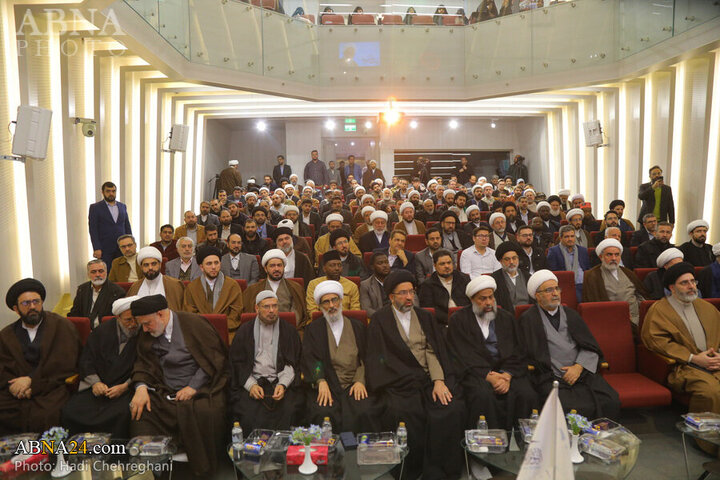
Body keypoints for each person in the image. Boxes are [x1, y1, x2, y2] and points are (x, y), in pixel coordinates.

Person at [129, 294, 227, 475]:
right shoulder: (149, 333)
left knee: (205, 411)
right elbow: (142, 363)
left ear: (160, 314)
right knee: (141, 410)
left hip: (201, 385)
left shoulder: (194, 324)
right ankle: (154, 463)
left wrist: (193, 387)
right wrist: (141, 387)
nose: (144, 329)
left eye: (147, 323)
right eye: (141, 324)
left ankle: (196, 462)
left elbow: (213, 361)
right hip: (164, 387)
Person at [517, 271, 620, 419]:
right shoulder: (528, 319)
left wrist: (578, 367)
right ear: (537, 296)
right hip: (549, 375)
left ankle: (599, 440)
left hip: (582, 372)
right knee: (567, 407)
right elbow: (529, 354)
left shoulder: (571, 314)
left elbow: (590, 346)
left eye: (557, 289)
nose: (555, 293)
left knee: (610, 400)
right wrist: (561, 371)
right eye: (549, 290)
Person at [447, 275, 537, 430]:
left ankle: (523, 442)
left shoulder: (506, 318)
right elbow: (461, 355)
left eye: (491, 297)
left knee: (527, 394)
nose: (488, 303)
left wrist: (507, 375)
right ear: (472, 300)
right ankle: (487, 445)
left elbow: (518, 350)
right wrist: (488, 376)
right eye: (483, 299)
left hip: (507, 372)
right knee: (483, 396)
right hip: (476, 373)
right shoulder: (459, 320)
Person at [0, 279, 81, 433]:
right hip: (17, 391)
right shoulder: (6, 334)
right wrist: (13, 386)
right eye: (26, 303)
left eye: (36, 302)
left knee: (46, 415)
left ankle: (44, 456)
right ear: (16, 309)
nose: (32, 307)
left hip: (50, 386)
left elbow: (65, 363)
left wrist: (31, 381)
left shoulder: (61, 326)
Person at [641, 262, 720, 417]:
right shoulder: (659, 310)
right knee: (711, 391)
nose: (691, 286)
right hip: (684, 367)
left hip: (714, 362)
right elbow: (656, 341)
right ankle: (707, 439)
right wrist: (693, 358)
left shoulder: (707, 307)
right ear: (672, 288)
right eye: (684, 283)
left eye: (693, 281)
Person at [302, 280, 382, 432]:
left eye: (334, 300)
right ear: (320, 306)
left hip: (354, 384)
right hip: (328, 384)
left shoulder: (358, 326)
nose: (331, 305)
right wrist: (320, 380)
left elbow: (368, 358)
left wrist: (360, 380)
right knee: (322, 412)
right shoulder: (313, 329)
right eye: (326, 302)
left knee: (365, 411)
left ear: (341, 301)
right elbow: (311, 359)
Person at [61, 296, 139, 437]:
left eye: (135, 319)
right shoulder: (101, 332)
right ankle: (77, 452)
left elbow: (144, 366)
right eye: (128, 320)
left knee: (122, 414)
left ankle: (115, 454)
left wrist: (125, 386)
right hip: (98, 387)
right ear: (118, 318)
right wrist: (95, 383)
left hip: (126, 389)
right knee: (71, 410)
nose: (133, 324)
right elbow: (87, 360)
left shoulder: (143, 334)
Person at [230, 290, 303, 434]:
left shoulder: (288, 331)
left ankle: (284, 453)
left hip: (281, 383)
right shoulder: (244, 331)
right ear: (257, 308)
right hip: (254, 382)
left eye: (275, 306)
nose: (272, 311)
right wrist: (251, 386)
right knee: (248, 413)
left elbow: (293, 362)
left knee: (290, 410)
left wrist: (283, 384)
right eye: (267, 307)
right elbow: (238, 364)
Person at [582, 239, 648, 327]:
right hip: (610, 320)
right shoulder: (592, 275)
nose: (613, 258)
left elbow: (640, 295)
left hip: (636, 319)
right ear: (601, 256)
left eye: (617, 255)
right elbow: (592, 304)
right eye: (609, 255)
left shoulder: (628, 273)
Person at [183, 246, 244, 341]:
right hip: (201, 333)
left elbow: (236, 314)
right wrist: (208, 327)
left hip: (227, 332)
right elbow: (190, 314)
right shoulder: (192, 287)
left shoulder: (232, 285)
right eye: (209, 264)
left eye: (216, 263)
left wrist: (219, 325)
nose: (213, 267)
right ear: (201, 267)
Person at [242, 249, 308, 329]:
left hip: (288, 330)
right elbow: (250, 314)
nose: (276, 269)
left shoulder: (295, 288)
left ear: (284, 267)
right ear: (266, 269)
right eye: (272, 266)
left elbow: (297, 314)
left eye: (279, 265)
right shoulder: (252, 290)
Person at [88, 181, 133, 275]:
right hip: (105, 248)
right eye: (108, 191)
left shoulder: (122, 206)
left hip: (122, 247)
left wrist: (130, 244)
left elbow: (127, 226)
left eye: (113, 191)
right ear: (102, 192)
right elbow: (93, 230)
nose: (111, 193)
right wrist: (96, 248)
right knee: (107, 272)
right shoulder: (95, 208)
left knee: (122, 271)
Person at [68, 259, 126, 328]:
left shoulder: (117, 291)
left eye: (101, 271)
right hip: (85, 329)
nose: (98, 275)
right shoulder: (82, 289)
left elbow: (118, 319)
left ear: (106, 273)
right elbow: (75, 313)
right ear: (88, 274)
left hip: (106, 330)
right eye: (93, 272)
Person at [419, 249, 471, 326]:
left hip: (465, 320)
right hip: (442, 324)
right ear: (435, 266)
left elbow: (472, 302)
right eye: (442, 264)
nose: (446, 266)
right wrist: (451, 320)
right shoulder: (427, 285)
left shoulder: (464, 279)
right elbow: (429, 311)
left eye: (449, 263)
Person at [307, 250, 361, 315]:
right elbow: (312, 310)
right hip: (322, 321)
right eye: (332, 265)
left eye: (339, 265)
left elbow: (355, 310)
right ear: (324, 268)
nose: (337, 268)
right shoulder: (314, 284)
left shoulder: (351, 286)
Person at [547, 225, 590, 302]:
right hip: (566, 285)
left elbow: (587, 268)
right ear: (561, 238)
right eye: (566, 237)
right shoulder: (554, 251)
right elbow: (553, 272)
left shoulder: (583, 251)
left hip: (584, 284)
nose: (570, 239)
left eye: (572, 236)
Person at [491, 242, 532, 313]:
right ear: (500, 261)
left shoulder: (527, 276)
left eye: (514, 258)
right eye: (507, 259)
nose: (511, 262)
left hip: (529, 317)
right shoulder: (495, 279)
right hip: (506, 318)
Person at [360, 252, 391, 317]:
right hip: (379, 320)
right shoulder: (365, 285)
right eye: (380, 263)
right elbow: (366, 309)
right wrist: (383, 318)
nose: (385, 265)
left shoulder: (398, 280)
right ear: (372, 267)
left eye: (386, 262)